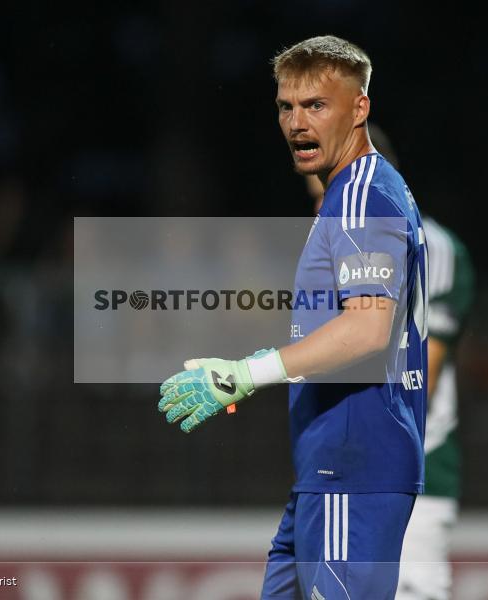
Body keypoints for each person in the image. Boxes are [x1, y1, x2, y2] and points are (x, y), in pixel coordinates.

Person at [158, 36, 428, 599]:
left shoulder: (361, 197)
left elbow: (368, 327)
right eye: (287, 106)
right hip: (328, 471)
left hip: (352, 473)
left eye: (316, 106)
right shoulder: (353, 195)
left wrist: (246, 373)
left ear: (360, 109)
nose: (297, 123)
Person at [307, 127, 476, 600]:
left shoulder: (432, 247)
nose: (321, 206)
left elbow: (419, 378)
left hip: (405, 483)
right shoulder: (333, 248)